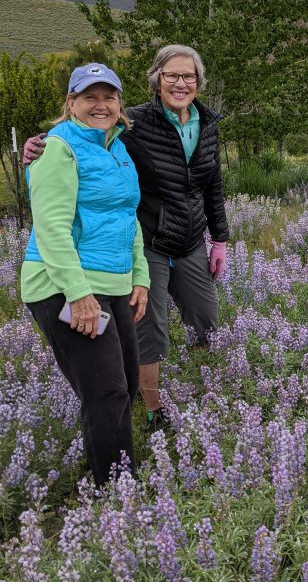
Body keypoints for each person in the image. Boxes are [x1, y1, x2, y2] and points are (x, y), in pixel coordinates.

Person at [26, 45, 229, 430]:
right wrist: (38, 146)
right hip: (148, 239)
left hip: (190, 240)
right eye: (171, 75)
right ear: (157, 79)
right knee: (148, 328)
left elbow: (212, 184)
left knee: (206, 318)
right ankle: (153, 409)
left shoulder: (208, 124)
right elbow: (88, 136)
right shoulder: (132, 120)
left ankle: (208, 386)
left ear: (199, 84)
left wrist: (219, 238)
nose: (180, 83)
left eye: (188, 76)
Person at [21, 63, 150, 487]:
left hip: (111, 282)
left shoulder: (117, 147)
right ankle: (116, 494)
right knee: (106, 390)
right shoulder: (58, 148)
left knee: (126, 384)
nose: (100, 105)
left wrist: (140, 277)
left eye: (108, 96)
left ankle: (108, 470)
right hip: (62, 285)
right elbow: (52, 227)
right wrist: (77, 293)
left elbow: (127, 216)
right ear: (70, 103)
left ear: (119, 103)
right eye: (89, 97)